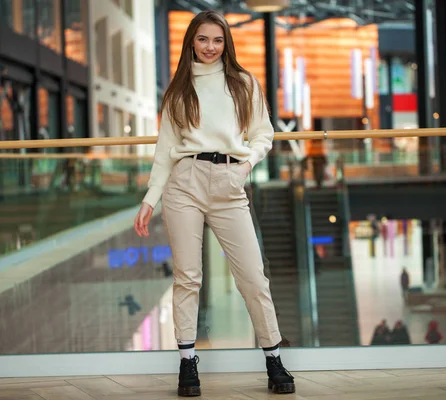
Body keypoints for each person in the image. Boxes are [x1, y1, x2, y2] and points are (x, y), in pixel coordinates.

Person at [133, 10, 295, 397]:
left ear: (227, 43)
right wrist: (150, 199)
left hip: (229, 182)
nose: (210, 47)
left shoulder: (242, 83)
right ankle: (187, 363)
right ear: (192, 41)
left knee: (253, 278)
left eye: (217, 40)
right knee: (188, 277)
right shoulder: (179, 90)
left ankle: (273, 356)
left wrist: (244, 168)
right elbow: (165, 152)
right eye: (203, 39)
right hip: (183, 184)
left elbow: (264, 134)